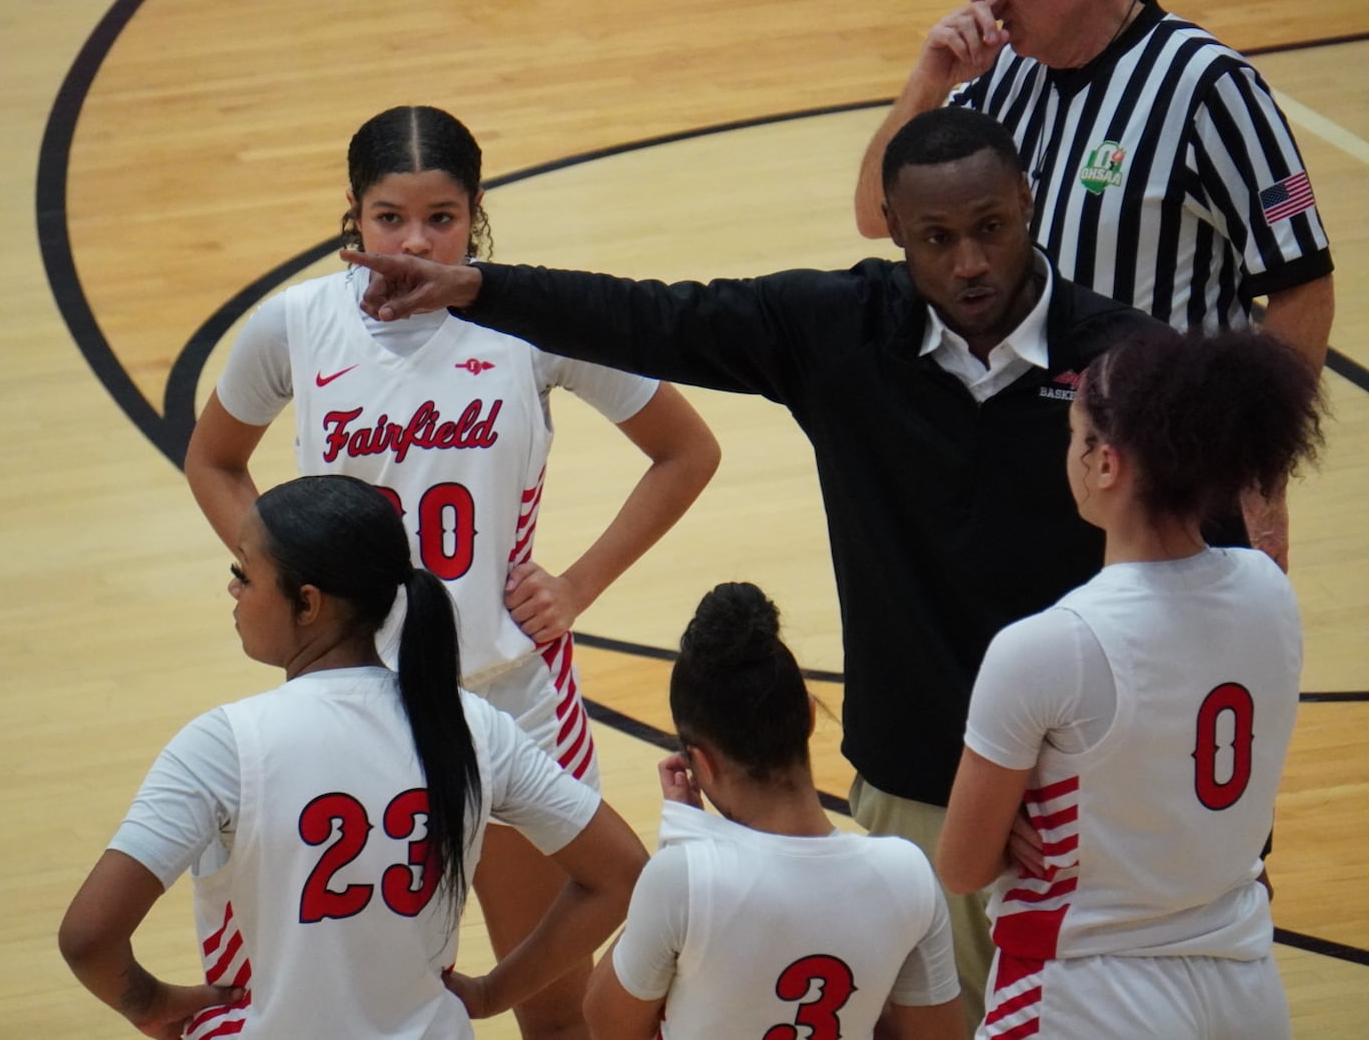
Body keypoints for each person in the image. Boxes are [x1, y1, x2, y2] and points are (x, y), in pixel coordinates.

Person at [343, 106, 1165, 1029]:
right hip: (916, 778)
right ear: (892, 229)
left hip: (1083, 785)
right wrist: (479, 289)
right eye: (936, 238)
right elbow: (653, 316)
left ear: (1028, 202)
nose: (968, 262)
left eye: (989, 229)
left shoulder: (1126, 364)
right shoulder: (840, 328)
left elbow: (1185, 592)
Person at [184, 105, 718, 1040]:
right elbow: (213, 458)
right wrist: (279, 564)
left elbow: (685, 449)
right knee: (338, 1003)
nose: (414, 240)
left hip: (506, 701)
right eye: (390, 216)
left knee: (554, 1009)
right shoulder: (296, 324)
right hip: (348, 706)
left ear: (476, 211)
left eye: (441, 216)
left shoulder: (530, 321)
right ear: (352, 213)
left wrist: (579, 585)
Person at [58, 474, 648, 1040]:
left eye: (244, 572)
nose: (234, 589)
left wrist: (154, 1004)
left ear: (308, 604)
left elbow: (88, 938)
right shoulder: (472, 726)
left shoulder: (224, 746)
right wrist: (494, 993)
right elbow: (621, 874)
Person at [852, 0, 1335, 567]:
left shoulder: (1207, 86)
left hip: (1168, 481)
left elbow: (1301, 283)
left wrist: (1264, 475)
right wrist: (928, 82)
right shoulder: (996, 76)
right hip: (1030, 470)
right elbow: (877, 215)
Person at [935, 328, 1324, 1038]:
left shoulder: (1048, 646)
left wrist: (1014, 821)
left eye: (1074, 435)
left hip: (1090, 991)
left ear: (1105, 463)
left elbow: (961, 865)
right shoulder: (1270, 590)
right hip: (1243, 978)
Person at [583, 581, 963, 1040]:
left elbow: (607, 1022)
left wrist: (686, 836)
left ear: (701, 763)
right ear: (808, 713)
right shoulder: (909, 874)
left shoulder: (684, 877)